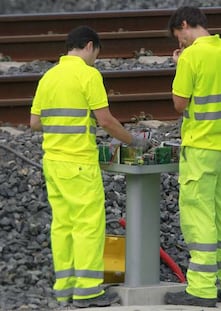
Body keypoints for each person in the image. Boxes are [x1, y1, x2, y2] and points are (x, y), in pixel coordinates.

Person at [30, 25, 146, 308]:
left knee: (63, 226)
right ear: (90, 46)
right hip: (79, 163)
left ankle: (64, 288)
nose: (96, 59)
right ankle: (87, 291)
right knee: (87, 227)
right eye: (97, 53)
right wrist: (134, 141)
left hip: (53, 164)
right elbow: (105, 120)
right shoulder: (88, 74)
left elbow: (34, 123)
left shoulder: (49, 76)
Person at [164, 6, 221, 308]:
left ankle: (200, 290)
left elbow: (179, 104)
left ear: (185, 24)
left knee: (199, 218)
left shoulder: (192, 56)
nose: (181, 43)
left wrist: (180, 64)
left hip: (201, 149)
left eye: (179, 37)